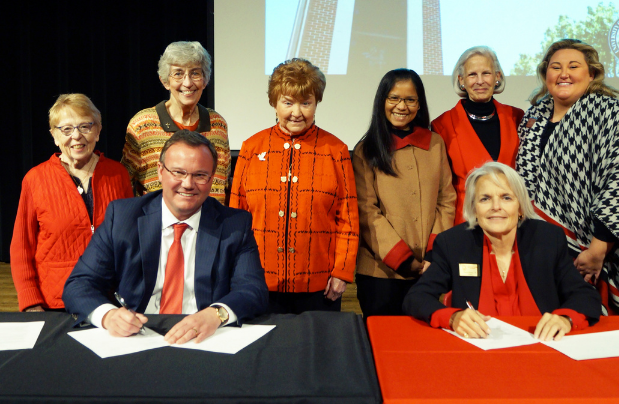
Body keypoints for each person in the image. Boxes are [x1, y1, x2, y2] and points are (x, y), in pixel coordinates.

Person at [63, 130, 268, 344]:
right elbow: (80, 284)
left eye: (199, 175)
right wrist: (108, 315)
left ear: (212, 178)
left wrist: (216, 314)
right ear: (160, 172)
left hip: (205, 337)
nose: (188, 184)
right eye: (178, 172)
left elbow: (253, 289)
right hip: (136, 336)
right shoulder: (123, 217)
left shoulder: (234, 224)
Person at [517, 39, 619, 315]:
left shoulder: (609, 113)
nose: (563, 73)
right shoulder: (532, 118)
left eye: (574, 66)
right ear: (545, 74)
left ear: (591, 74)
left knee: (589, 326)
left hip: (593, 249)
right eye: (555, 67)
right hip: (540, 247)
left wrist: (597, 250)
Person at [403, 162, 601, 341]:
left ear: (521, 207)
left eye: (506, 197)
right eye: (485, 199)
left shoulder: (548, 239)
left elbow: (585, 296)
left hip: (542, 347)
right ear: (474, 208)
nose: (496, 207)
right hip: (478, 350)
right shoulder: (453, 243)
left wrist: (565, 319)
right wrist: (453, 317)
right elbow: (417, 297)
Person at [229, 58, 359, 314]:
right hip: (258, 281)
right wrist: (236, 271)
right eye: (287, 102)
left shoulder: (336, 150)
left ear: (316, 103)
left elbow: (349, 218)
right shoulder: (251, 148)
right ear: (274, 103)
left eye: (305, 102)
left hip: (319, 285)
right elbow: (236, 216)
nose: (296, 112)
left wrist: (342, 271)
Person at [10, 94, 133, 312]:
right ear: (54, 136)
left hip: (110, 300)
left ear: (98, 129)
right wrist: (31, 303)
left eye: (85, 126)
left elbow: (130, 239)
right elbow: (21, 247)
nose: (76, 136)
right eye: (66, 129)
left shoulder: (118, 174)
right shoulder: (35, 179)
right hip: (56, 303)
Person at [352, 69, 455, 318]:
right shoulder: (366, 150)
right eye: (393, 98)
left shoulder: (435, 143)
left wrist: (433, 254)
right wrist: (403, 259)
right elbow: (367, 211)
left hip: (427, 270)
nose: (402, 106)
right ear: (382, 102)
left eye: (410, 99)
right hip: (380, 273)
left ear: (419, 104)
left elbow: (446, 200)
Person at [121, 41, 230, 203]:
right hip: (159, 224)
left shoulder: (218, 124)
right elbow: (124, 183)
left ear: (205, 80)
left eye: (195, 73)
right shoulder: (142, 124)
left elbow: (223, 183)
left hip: (209, 224)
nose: (187, 83)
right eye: (178, 74)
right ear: (165, 81)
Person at [431, 47, 524, 225]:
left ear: (497, 77)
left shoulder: (517, 118)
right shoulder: (441, 126)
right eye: (472, 74)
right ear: (461, 80)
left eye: (486, 73)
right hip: (466, 225)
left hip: (512, 223)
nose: (480, 81)